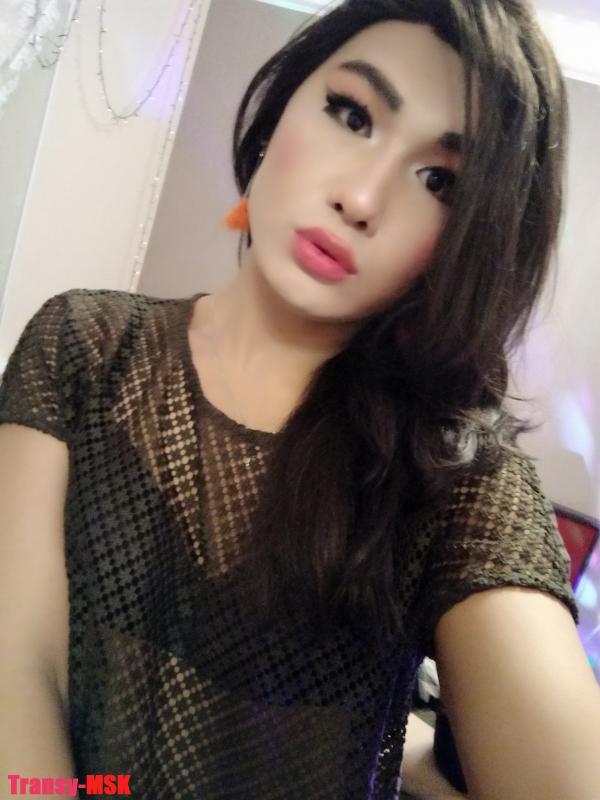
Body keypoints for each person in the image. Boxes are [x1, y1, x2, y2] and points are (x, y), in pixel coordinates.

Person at [1, 1, 599, 798]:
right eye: (352, 114)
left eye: (440, 182)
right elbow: (19, 665)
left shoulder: (459, 484)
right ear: (282, 104)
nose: (362, 197)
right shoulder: (85, 347)